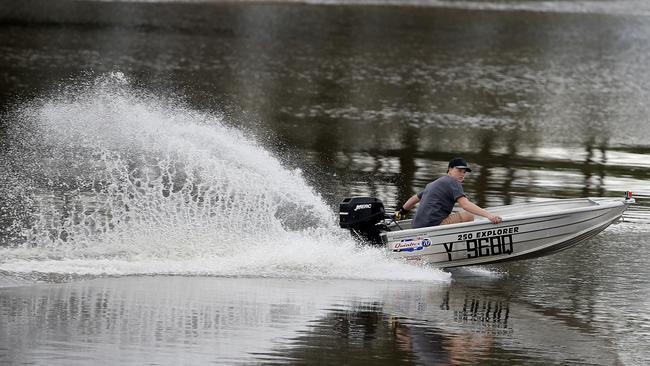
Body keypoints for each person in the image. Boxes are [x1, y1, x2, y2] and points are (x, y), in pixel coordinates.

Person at [394, 157, 501, 229]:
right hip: (433, 226)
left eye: (464, 172)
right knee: (468, 216)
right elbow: (465, 205)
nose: (462, 174)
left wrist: (401, 212)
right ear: (450, 169)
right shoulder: (453, 182)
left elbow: (413, 199)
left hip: (416, 227)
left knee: (452, 215)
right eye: (459, 170)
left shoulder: (433, 184)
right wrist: (489, 216)